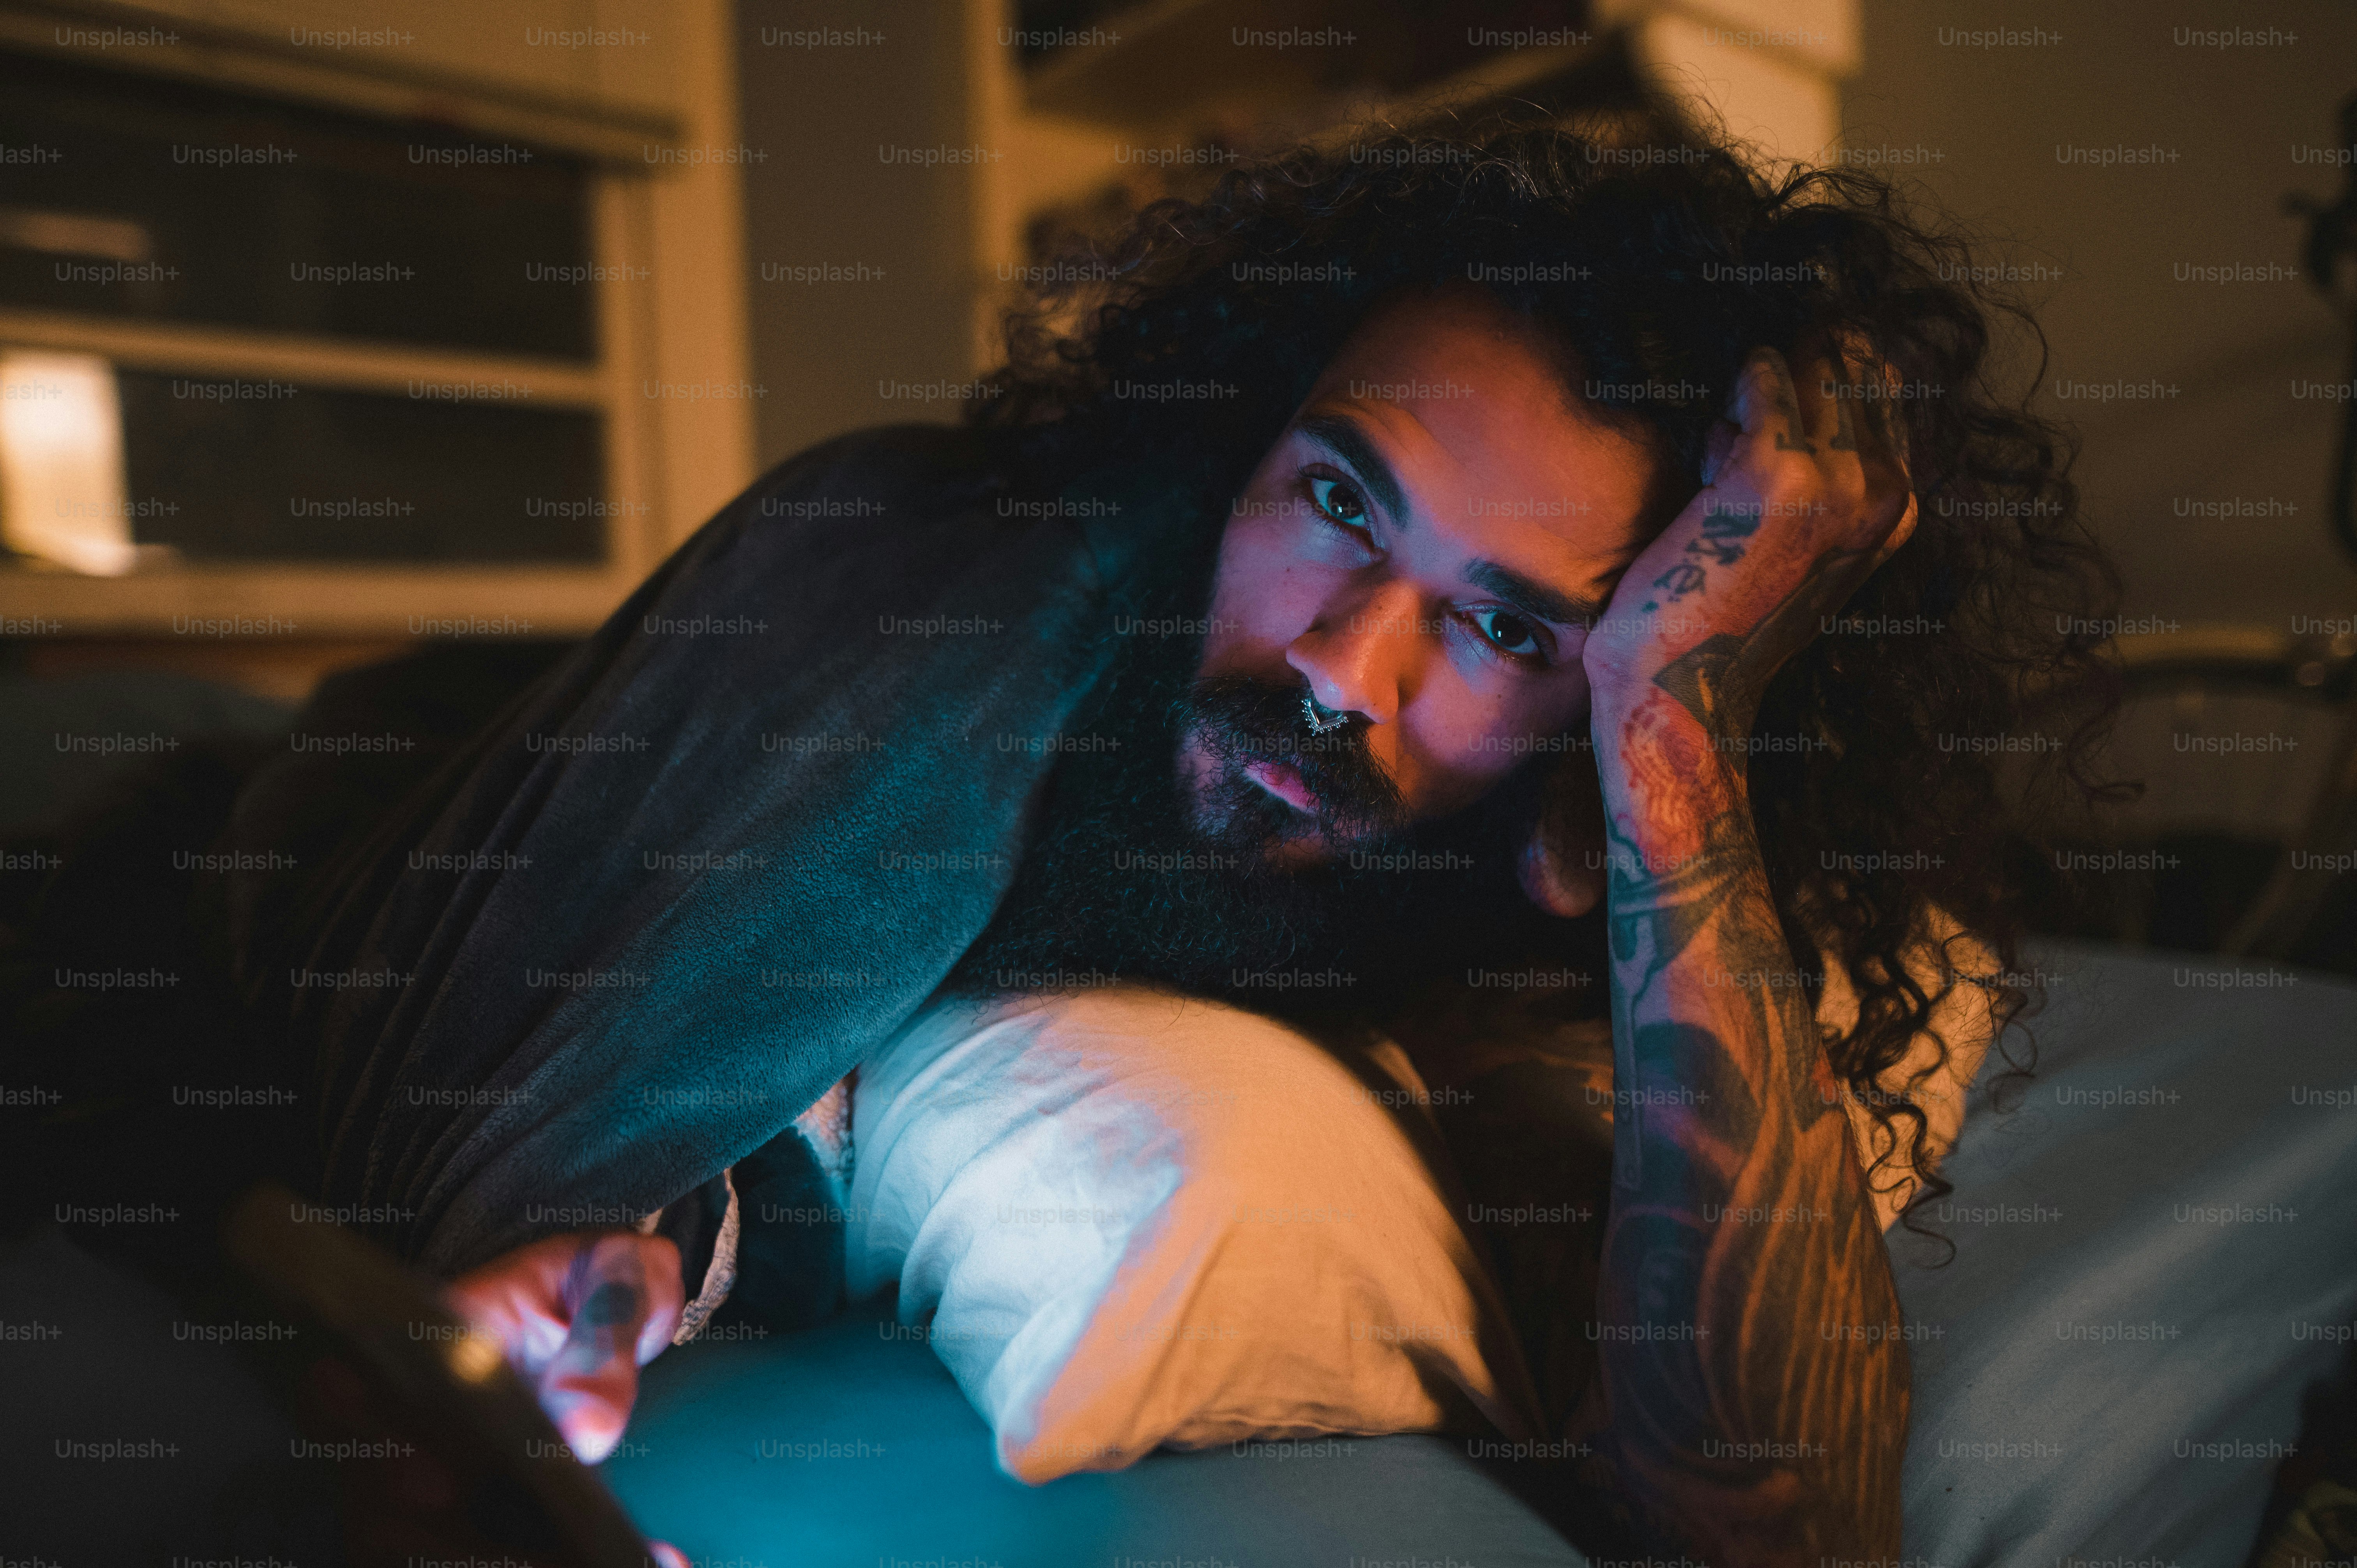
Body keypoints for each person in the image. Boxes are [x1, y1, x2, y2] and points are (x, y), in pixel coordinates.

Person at [4, 118, 2114, 1564]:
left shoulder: (1556, 911)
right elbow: (702, 980)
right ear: (1242, 438)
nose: (1341, 666)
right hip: (210, 829)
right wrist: (583, 1246)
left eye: (1502, 623)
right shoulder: (979, 577)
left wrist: (1676, 744)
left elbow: (1775, 1526)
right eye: (1338, 500)